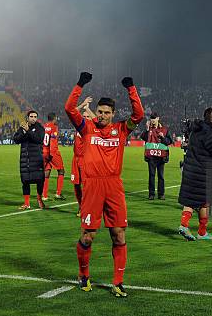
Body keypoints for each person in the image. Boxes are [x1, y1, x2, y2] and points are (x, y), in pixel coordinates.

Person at [65, 72, 143, 297]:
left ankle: (118, 282)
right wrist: (80, 84)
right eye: (99, 112)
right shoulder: (86, 128)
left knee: (119, 234)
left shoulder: (121, 129)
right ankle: (83, 275)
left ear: (113, 114)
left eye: (107, 112)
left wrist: (131, 89)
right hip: (92, 186)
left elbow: (138, 114)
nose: (102, 115)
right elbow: (70, 108)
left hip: (113, 186)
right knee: (88, 235)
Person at [177, 107, 212, 241]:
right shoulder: (209, 134)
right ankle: (200, 232)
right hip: (203, 173)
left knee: (192, 200)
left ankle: (186, 226)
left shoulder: (197, 130)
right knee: (205, 202)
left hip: (190, 170)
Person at [13, 110, 46, 210]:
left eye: (35, 116)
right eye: (31, 116)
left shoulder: (40, 128)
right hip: (25, 159)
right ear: (27, 118)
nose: (33, 118)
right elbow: (16, 139)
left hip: (36, 158)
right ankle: (26, 203)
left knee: (40, 180)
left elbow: (38, 139)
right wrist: (24, 132)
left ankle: (39, 198)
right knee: (25, 181)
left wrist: (28, 131)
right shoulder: (22, 128)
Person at [71, 96, 96, 217]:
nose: (85, 119)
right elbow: (72, 110)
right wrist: (83, 104)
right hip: (75, 159)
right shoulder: (79, 125)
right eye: (84, 117)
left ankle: (87, 208)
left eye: (87, 117)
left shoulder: (92, 128)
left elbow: (98, 120)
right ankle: (80, 207)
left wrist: (90, 111)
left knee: (86, 186)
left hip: (86, 160)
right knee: (76, 184)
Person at [140, 112, 173, 200]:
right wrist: (147, 129)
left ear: (158, 118)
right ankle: (151, 194)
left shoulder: (164, 129)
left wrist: (162, 137)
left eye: (154, 118)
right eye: (151, 118)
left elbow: (169, 142)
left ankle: (161, 194)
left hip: (161, 156)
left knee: (161, 176)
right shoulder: (149, 129)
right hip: (151, 156)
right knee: (151, 175)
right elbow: (143, 137)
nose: (153, 120)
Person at [42, 113, 66, 201]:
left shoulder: (44, 126)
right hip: (52, 152)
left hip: (43, 151)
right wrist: (51, 154)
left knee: (47, 172)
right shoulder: (54, 127)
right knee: (61, 170)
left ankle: (44, 196)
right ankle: (58, 194)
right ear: (54, 118)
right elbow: (52, 140)